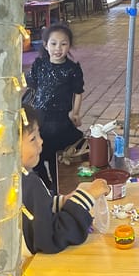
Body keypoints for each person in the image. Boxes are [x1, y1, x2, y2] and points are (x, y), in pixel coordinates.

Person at [20, 103, 109, 276]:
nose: (41, 143)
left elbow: (34, 219)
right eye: (32, 138)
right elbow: (52, 236)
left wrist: (62, 201)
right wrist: (84, 197)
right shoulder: (28, 184)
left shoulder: (0, 180)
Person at [24, 23, 84, 188]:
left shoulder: (72, 69)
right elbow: (32, 88)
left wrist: (75, 113)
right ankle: (45, 183)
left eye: (63, 44)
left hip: (60, 122)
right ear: (45, 45)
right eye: (53, 43)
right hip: (40, 118)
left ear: (69, 46)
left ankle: (58, 189)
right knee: (36, 157)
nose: (58, 48)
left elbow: (78, 93)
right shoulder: (39, 65)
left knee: (57, 160)